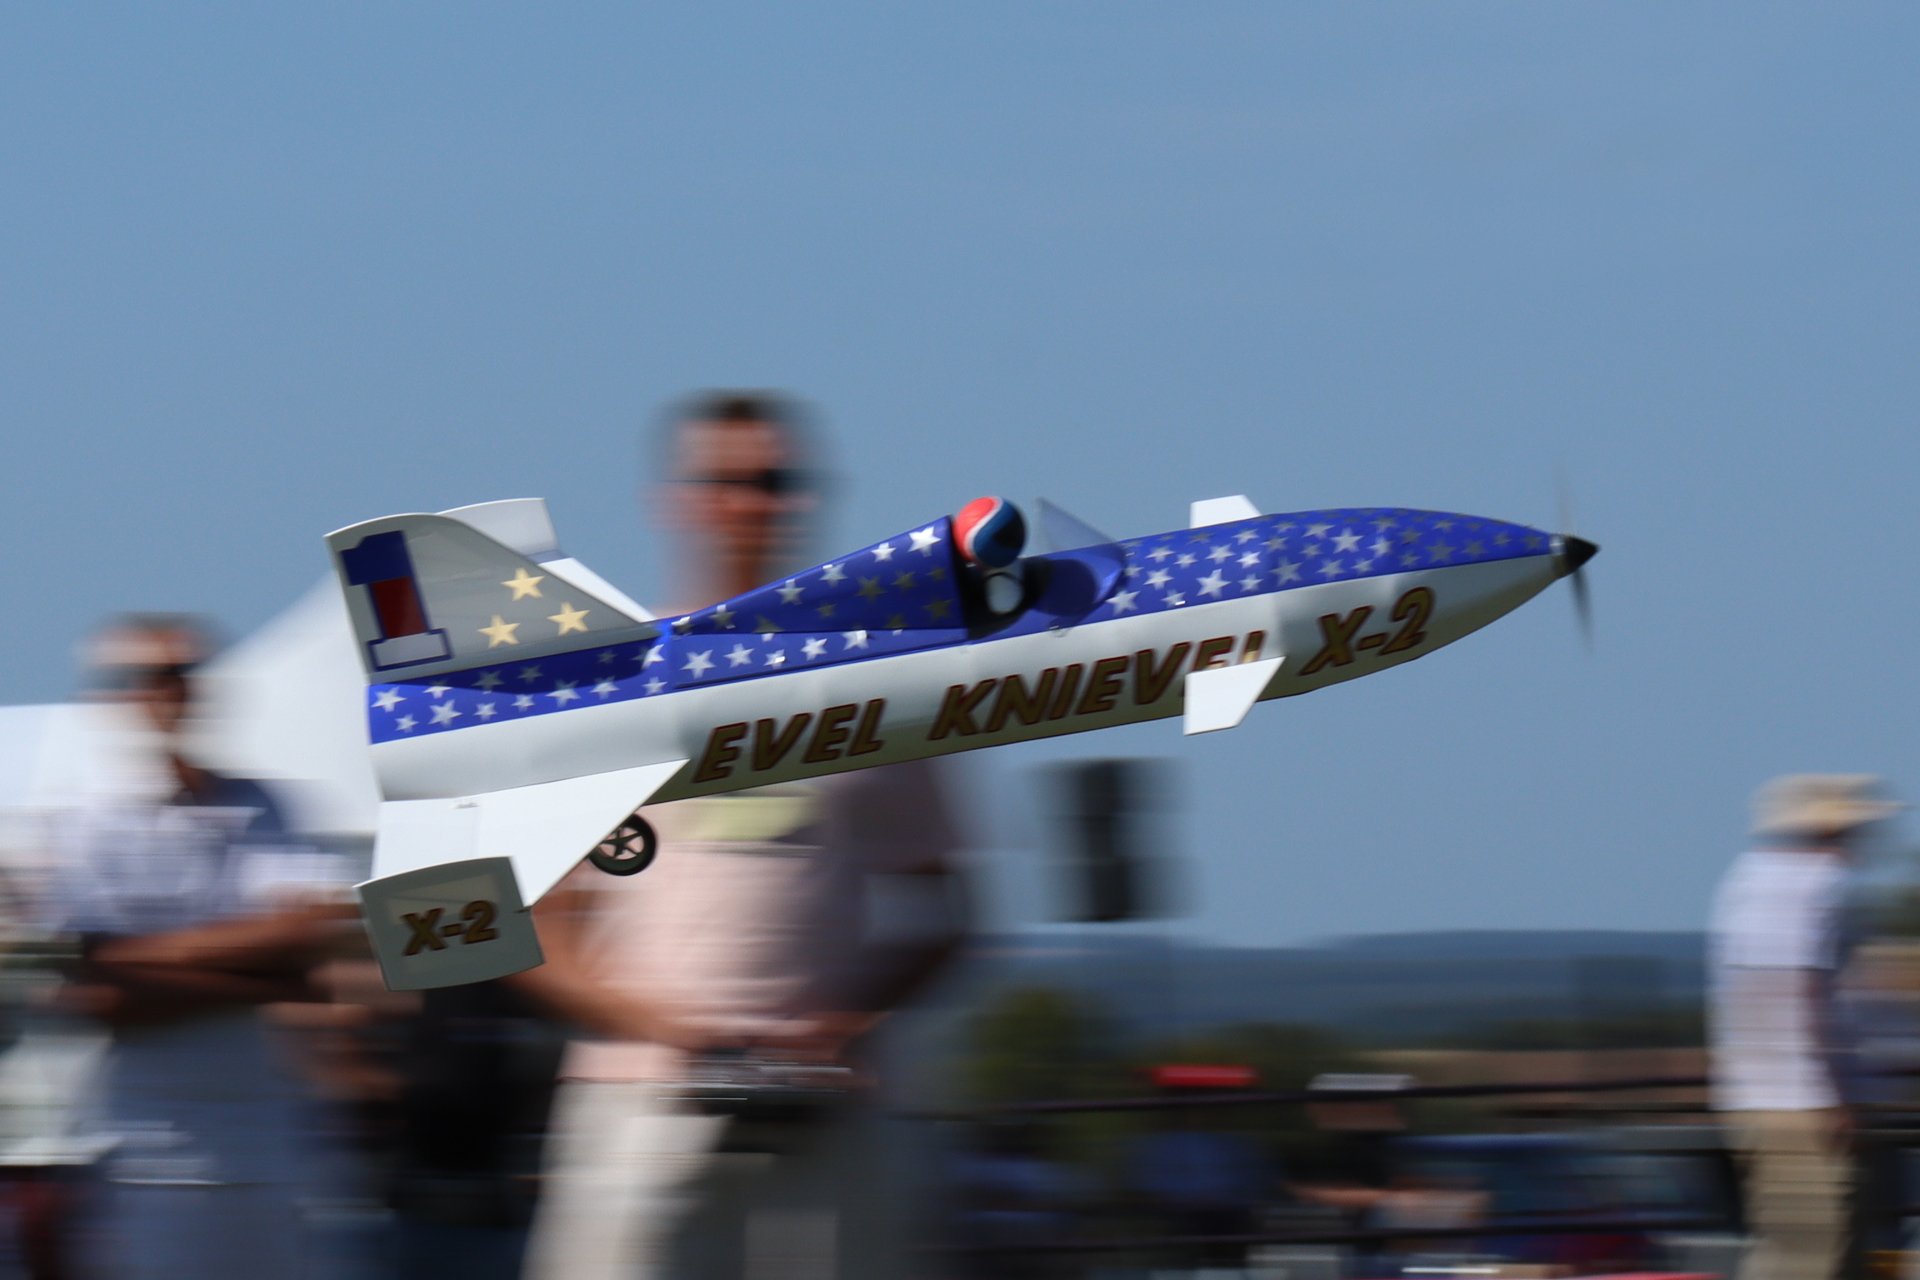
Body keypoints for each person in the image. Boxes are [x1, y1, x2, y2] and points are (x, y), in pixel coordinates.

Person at [520, 392, 972, 1279]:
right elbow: (535, 927)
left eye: (776, 482)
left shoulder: (885, 683)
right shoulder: (604, 687)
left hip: (825, 1116)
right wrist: (669, 1036)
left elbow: (946, 912)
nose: (755, 504)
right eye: (729, 483)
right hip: (643, 1107)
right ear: (675, 500)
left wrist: (842, 1028)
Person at [38, 614, 357, 1277]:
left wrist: (141, 956)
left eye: (186, 674)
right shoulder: (83, 818)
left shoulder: (261, 802)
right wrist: (271, 978)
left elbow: (312, 930)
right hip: (143, 1154)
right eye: (150, 676)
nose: (172, 691)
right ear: (111, 693)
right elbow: (102, 999)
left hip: (269, 1144)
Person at [1708, 773, 1898, 1280]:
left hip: (1766, 1099)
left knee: (1807, 1249)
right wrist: (1831, 1097)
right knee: (1813, 1254)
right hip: (1802, 1106)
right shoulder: (1815, 883)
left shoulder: (1751, 877)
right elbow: (1795, 993)